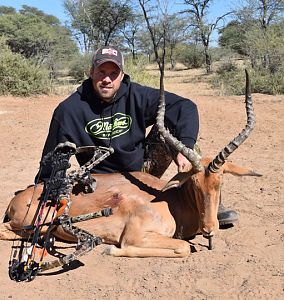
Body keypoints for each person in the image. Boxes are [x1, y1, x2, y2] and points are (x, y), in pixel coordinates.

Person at [36, 45, 237, 226]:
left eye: (113, 73)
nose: (107, 79)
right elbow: (54, 156)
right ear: (91, 72)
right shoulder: (69, 109)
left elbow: (185, 107)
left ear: (122, 76)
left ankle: (212, 205)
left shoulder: (136, 95)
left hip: (141, 173)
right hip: (100, 183)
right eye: (101, 72)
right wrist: (42, 191)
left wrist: (184, 147)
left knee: (176, 136)